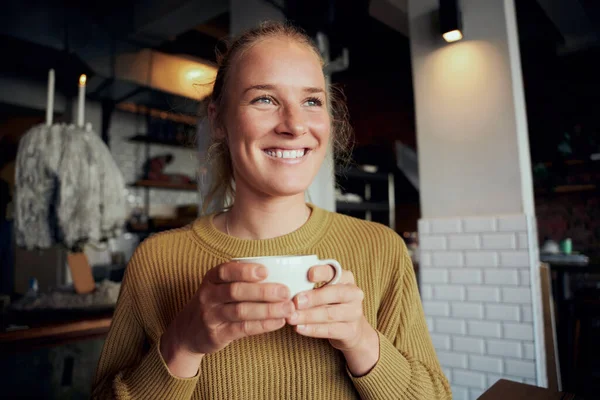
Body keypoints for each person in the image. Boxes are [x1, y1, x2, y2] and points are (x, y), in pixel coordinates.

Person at [92, 21, 451, 399]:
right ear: (218, 120)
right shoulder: (155, 261)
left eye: (312, 101)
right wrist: (182, 344)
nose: (295, 125)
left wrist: (361, 340)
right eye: (264, 99)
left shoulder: (381, 249)